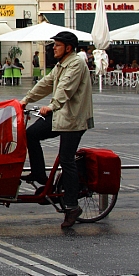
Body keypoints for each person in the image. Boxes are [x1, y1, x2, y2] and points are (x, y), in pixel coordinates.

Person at [20, 31, 94, 229]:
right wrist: (26, 99)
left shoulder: (76, 64)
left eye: (57, 45)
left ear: (68, 48)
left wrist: (52, 106)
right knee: (31, 134)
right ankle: (39, 175)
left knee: (66, 159)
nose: (53, 48)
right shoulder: (61, 65)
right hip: (61, 115)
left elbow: (66, 89)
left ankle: (72, 207)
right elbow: (47, 83)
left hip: (74, 119)